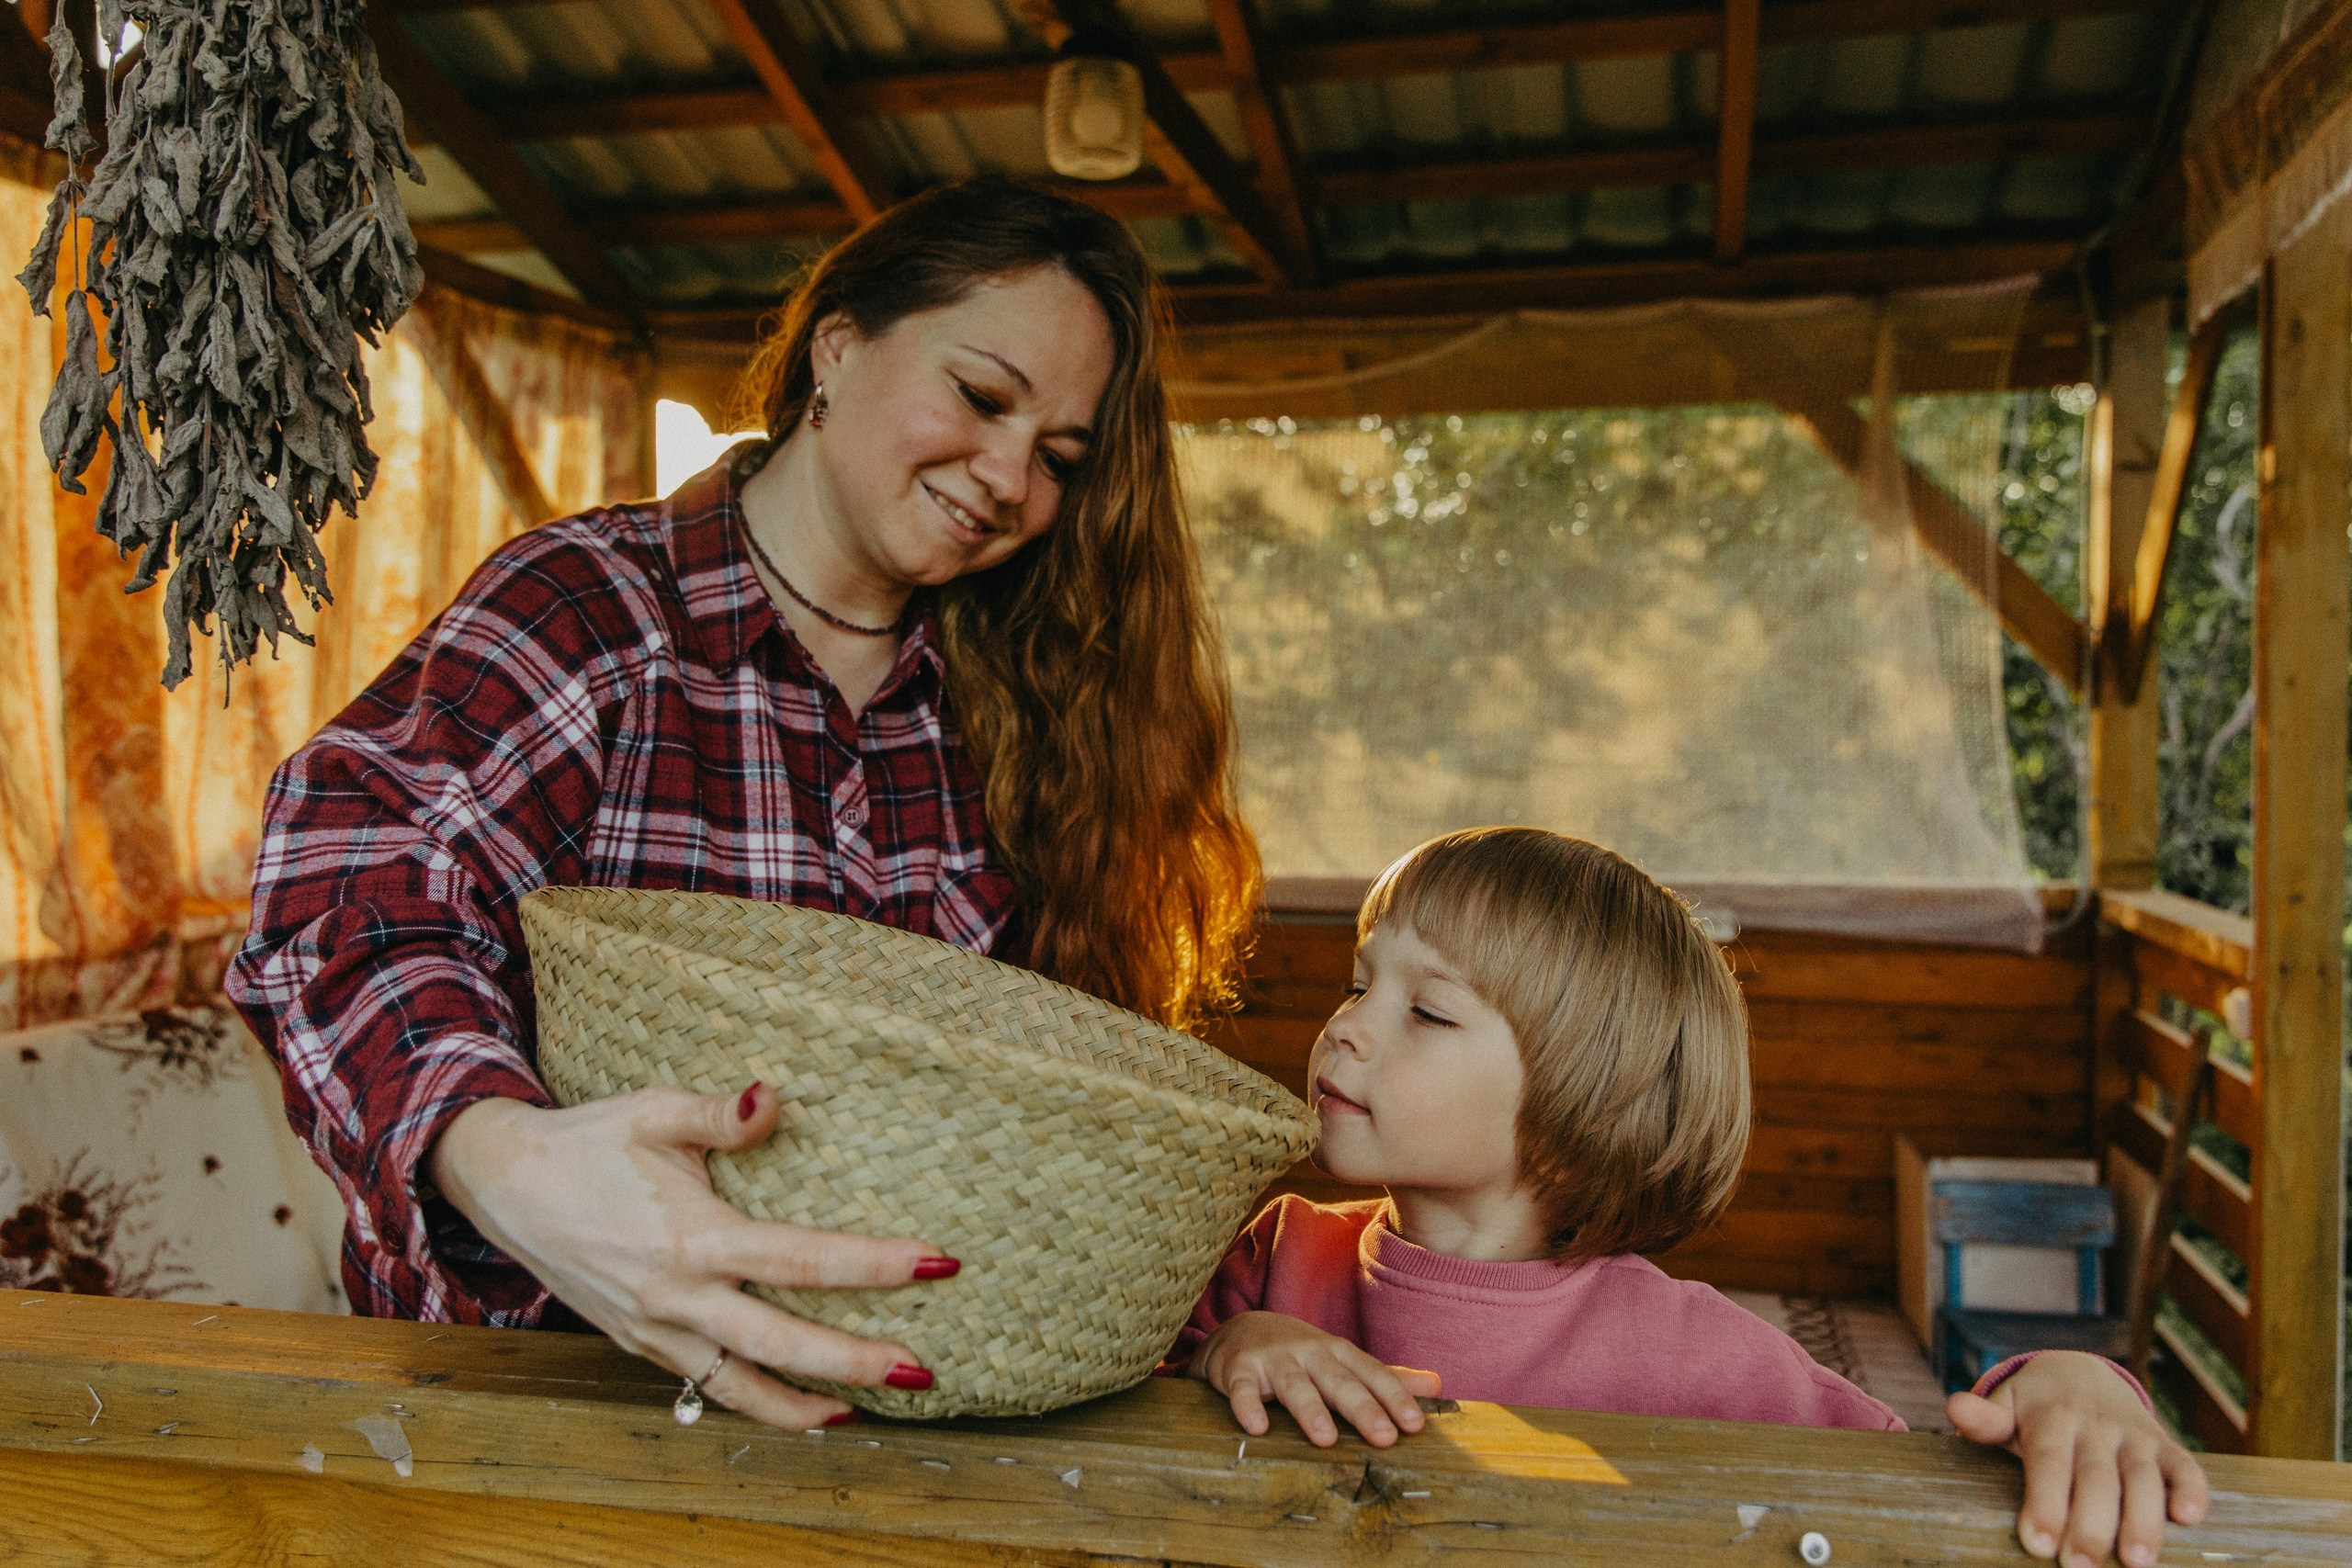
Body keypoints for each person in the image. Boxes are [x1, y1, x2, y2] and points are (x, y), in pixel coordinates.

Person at [227, 178, 1258, 1431]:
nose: (1007, 477)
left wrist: (1224, 1327)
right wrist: (501, 1156)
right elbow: (348, 884)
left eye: (1058, 459)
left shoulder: (1033, 714)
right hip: (540, 1420)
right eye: (984, 397)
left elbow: (1064, 1147)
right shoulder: (592, 610)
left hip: (894, 1445)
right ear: (839, 346)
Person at [1172, 828, 2208, 1568]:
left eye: (1427, 1011)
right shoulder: (1274, 1259)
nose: (1346, 1025)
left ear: (1581, 1099)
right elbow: (1124, 1398)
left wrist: (2069, 1383)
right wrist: (1229, 1349)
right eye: (1360, 983)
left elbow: (1907, 1484)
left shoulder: (1703, 1354)